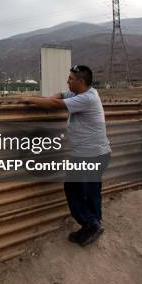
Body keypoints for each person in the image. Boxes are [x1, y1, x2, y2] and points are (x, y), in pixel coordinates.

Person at [21, 65, 111, 246]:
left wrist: (28, 99)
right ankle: (93, 224)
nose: (67, 81)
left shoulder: (88, 98)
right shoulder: (79, 93)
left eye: (70, 78)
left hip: (91, 156)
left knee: (78, 189)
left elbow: (56, 104)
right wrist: (47, 98)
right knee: (87, 191)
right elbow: (60, 96)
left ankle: (91, 224)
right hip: (91, 154)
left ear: (81, 81)